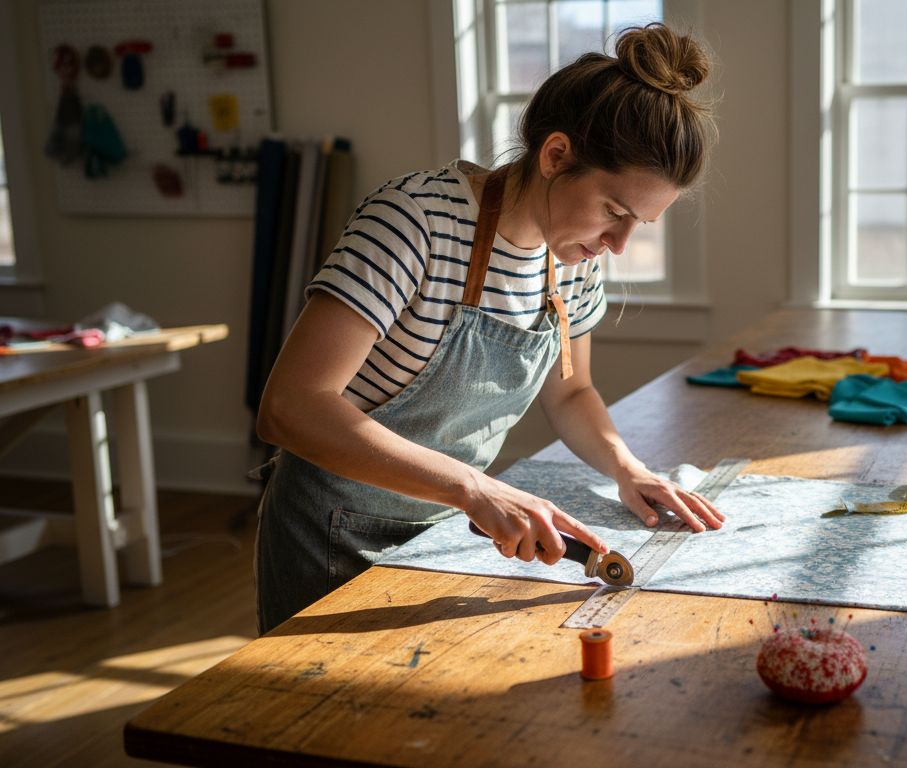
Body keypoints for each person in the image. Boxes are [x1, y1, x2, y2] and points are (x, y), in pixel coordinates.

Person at [252, 23, 722, 634]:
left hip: (445, 531)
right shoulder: (414, 222)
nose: (618, 244)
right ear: (556, 155)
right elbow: (290, 407)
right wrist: (473, 488)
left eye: (640, 225)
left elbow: (571, 391)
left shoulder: (570, 260)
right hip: (331, 532)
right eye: (614, 212)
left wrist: (627, 468)